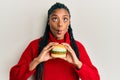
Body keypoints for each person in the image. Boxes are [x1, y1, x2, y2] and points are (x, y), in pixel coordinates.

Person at [10, 2, 100, 80]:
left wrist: (77, 63)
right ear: (48, 21)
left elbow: (95, 78)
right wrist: (37, 61)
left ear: (69, 22)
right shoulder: (35, 45)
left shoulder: (77, 47)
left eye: (65, 19)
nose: (60, 24)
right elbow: (13, 77)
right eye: (55, 19)